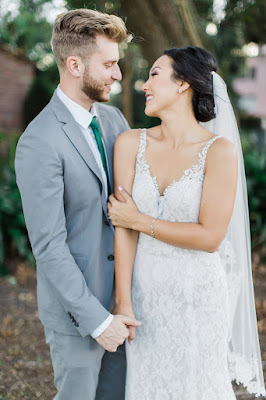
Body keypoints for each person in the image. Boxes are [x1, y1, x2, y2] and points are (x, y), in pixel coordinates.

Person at [107, 46, 265, 399]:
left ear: (183, 84)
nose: (144, 85)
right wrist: (124, 301)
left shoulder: (219, 151)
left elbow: (210, 236)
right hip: (145, 298)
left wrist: (139, 219)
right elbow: (123, 228)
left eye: (154, 74)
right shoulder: (129, 144)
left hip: (199, 299)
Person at [15, 8, 141, 400]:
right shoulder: (39, 142)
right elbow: (49, 246)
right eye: (109, 64)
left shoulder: (114, 119)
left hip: (128, 304)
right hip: (78, 317)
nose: (118, 74)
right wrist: (97, 321)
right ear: (74, 65)